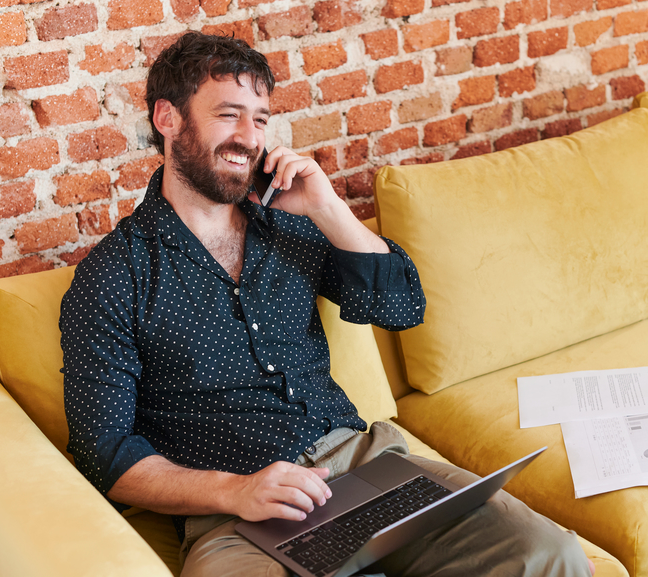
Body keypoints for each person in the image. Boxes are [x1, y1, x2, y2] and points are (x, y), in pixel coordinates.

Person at [60, 31, 594, 577]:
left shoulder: (290, 223)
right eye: (228, 115)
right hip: (236, 517)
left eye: (261, 119)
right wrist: (236, 491)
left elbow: (402, 307)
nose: (249, 137)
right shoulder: (111, 278)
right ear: (167, 118)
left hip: (364, 467)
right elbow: (106, 453)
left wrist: (327, 206)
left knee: (548, 553)